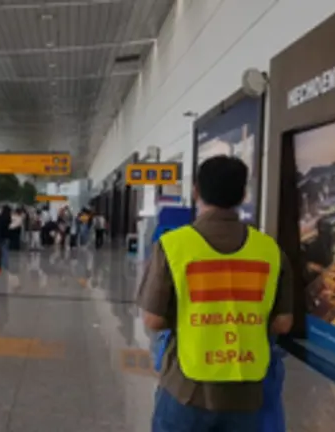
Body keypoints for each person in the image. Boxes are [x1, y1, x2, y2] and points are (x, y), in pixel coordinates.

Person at [138, 155, 293, 432]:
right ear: (243, 194)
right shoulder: (270, 250)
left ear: (196, 191)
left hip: (185, 389)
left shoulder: (174, 246)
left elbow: (153, 319)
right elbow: (283, 322)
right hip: (246, 393)